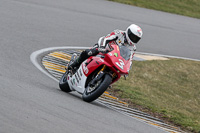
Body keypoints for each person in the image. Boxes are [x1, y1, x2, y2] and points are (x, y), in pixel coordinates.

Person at [68, 24, 143, 71]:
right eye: (133, 37)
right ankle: (74, 64)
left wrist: (127, 68)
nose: (133, 39)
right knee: (89, 52)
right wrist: (102, 47)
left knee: (117, 71)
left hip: (114, 58)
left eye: (136, 39)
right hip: (103, 49)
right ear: (128, 32)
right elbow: (106, 39)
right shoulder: (119, 33)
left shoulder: (133, 48)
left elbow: (129, 60)